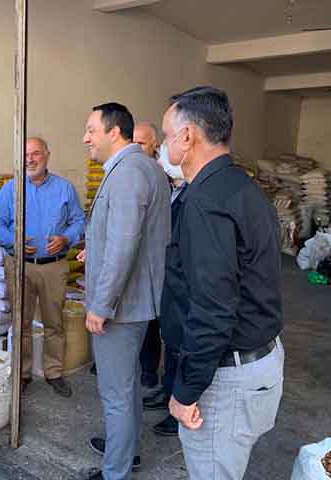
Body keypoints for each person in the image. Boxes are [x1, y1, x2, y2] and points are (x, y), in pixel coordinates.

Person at [161, 86, 284, 479]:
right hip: (260, 361)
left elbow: (212, 309)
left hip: (226, 376)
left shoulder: (205, 201)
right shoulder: (241, 187)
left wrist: (185, 391)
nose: (165, 145)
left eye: (167, 135)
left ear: (187, 136)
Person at [80, 103, 170, 480]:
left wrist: (101, 305)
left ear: (114, 132)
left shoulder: (129, 172)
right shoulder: (143, 167)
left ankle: (115, 471)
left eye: (91, 130)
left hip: (121, 305)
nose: (85, 138)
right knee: (127, 384)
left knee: (116, 392)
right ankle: (126, 449)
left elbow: (123, 245)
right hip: (133, 300)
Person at [0, 137, 85, 398]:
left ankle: (54, 372)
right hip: (20, 265)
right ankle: (22, 373)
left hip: (54, 267)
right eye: (26, 155)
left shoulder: (64, 188)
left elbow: (79, 221)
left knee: (54, 322)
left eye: (36, 154)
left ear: (47, 155)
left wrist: (67, 238)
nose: (30, 159)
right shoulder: (10, 189)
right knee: (21, 322)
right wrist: (15, 241)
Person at [142, 140, 187, 438]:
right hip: (167, 277)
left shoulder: (193, 195)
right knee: (170, 341)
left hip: (182, 282)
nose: (160, 159)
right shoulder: (173, 190)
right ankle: (168, 390)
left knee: (182, 346)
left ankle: (178, 409)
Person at [133, 121, 164, 391]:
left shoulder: (161, 177)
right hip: (131, 259)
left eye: (141, 143)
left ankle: (149, 369)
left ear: (155, 145)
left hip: (153, 261)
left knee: (150, 318)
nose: (136, 148)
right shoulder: (127, 174)